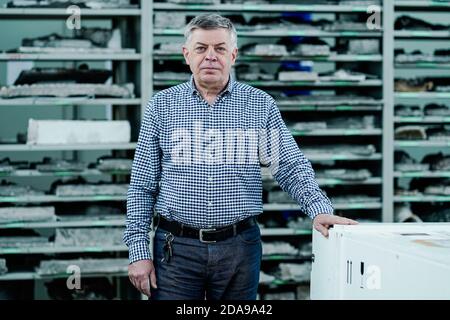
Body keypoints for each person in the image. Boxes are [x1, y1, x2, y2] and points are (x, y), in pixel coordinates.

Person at [124, 13, 358, 300]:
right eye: (201, 48)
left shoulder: (259, 105)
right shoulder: (161, 106)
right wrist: (138, 251)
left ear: (233, 54)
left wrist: (318, 208)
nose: (210, 56)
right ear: (187, 55)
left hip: (240, 249)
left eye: (220, 48)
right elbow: (141, 186)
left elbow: (288, 165)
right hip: (176, 251)